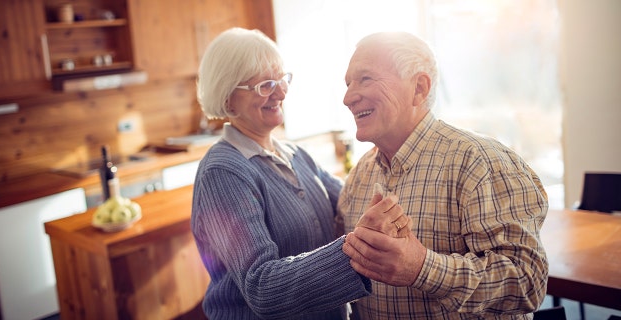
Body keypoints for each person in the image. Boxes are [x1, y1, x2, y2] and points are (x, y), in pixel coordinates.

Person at [190, 27, 410, 320]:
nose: (281, 92)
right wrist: (359, 247)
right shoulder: (223, 173)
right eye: (265, 85)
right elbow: (262, 288)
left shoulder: (296, 155)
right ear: (229, 99)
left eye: (282, 80)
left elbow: (351, 205)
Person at [339, 31, 549, 319]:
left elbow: (529, 283)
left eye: (365, 79)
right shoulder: (359, 175)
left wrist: (422, 268)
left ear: (419, 88)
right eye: (348, 83)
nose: (348, 97)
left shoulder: (480, 161)